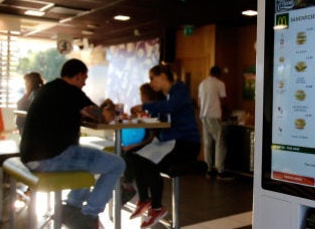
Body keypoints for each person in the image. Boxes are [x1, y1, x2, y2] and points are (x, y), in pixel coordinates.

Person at [19, 59, 125, 229]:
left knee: (84, 159)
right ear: (78, 76)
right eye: (84, 78)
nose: (85, 83)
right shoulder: (72, 92)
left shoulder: (48, 88)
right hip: (51, 158)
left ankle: (72, 207)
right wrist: (110, 107)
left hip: (30, 156)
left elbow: (68, 113)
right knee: (117, 164)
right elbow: (103, 117)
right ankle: (89, 214)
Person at [128, 64, 201, 228]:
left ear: (162, 76)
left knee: (149, 162)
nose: (151, 82)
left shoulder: (179, 90)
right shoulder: (167, 96)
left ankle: (157, 207)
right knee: (135, 157)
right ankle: (145, 200)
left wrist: (144, 106)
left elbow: (170, 108)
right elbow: (165, 114)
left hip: (185, 143)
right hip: (170, 140)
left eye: (152, 78)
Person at [120, 83, 166, 204]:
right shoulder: (148, 111)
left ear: (146, 95)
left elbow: (151, 138)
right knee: (124, 152)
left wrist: (132, 146)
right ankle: (131, 187)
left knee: (130, 154)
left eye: (141, 94)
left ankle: (129, 186)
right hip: (149, 141)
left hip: (156, 144)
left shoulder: (156, 112)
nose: (140, 97)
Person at [198, 65, 232, 180]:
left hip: (203, 116)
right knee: (220, 143)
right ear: (218, 74)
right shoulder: (219, 83)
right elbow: (223, 100)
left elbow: (199, 101)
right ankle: (220, 171)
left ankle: (209, 169)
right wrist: (226, 114)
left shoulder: (202, 84)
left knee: (207, 143)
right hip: (214, 115)